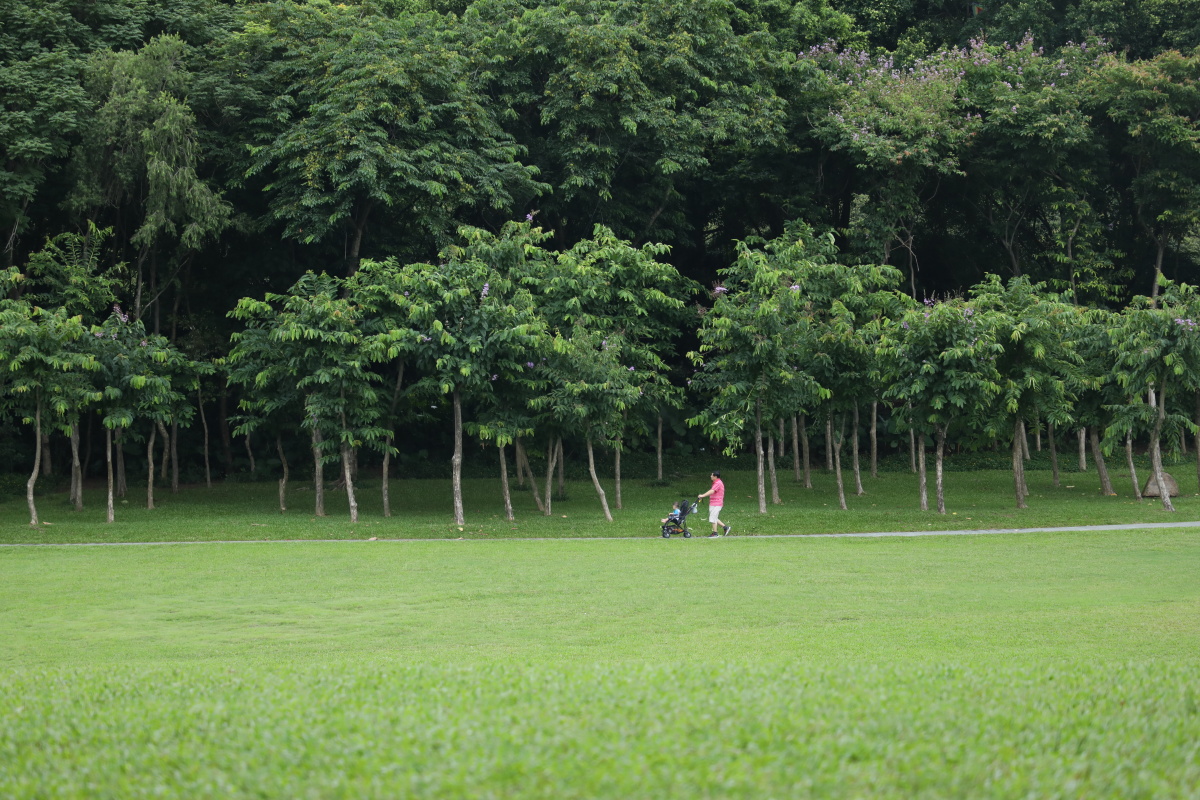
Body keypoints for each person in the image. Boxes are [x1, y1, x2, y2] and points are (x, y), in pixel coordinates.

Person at [698, 471, 731, 537]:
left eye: (712, 475)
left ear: (715, 476)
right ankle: (725, 528)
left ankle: (715, 533)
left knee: (712, 517)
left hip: (717, 503)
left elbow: (712, 491)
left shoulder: (718, 483)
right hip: (713, 503)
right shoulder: (716, 482)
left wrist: (703, 495)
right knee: (714, 517)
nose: (711, 476)